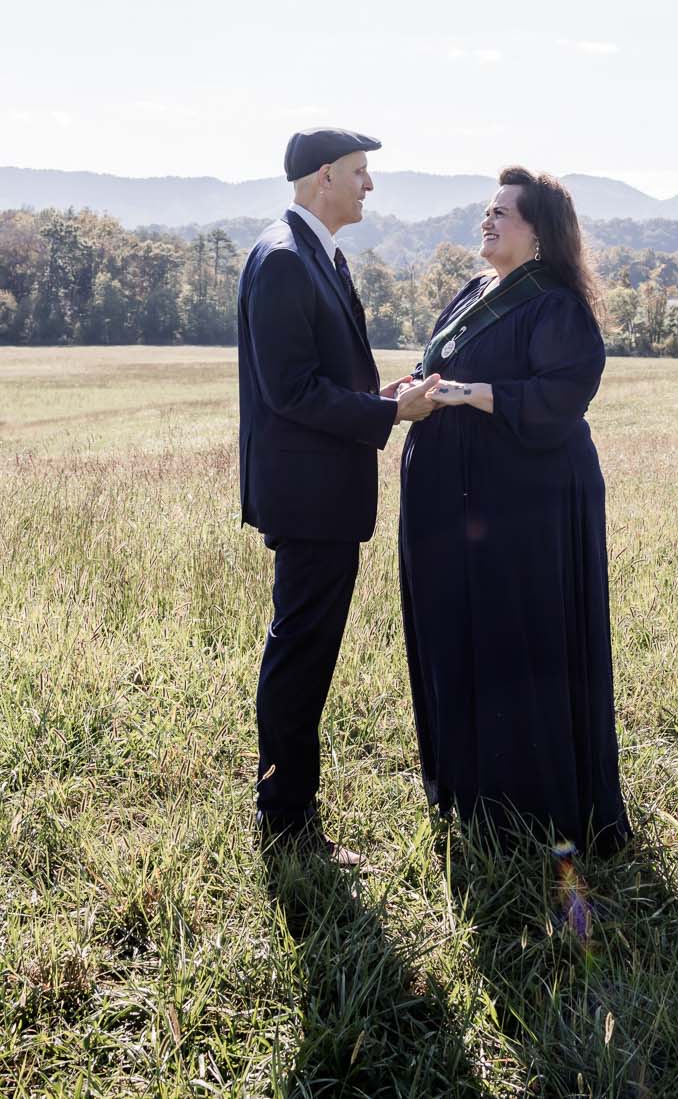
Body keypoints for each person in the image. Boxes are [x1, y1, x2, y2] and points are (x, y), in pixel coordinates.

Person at [396, 166, 628, 853]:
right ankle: (470, 790)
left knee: (513, 643)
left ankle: (524, 812)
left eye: (503, 213)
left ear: (539, 233)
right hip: (456, 500)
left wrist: (473, 394)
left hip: (519, 508)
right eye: (487, 211)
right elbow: (442, 369)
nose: (487, 222)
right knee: (461, 636)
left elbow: (561, 396)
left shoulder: (556, 305)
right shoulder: (476, 290)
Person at [238, 128, 443, 864]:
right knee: (300, 654)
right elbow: (290, 391)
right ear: (324, 175)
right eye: (361, 172)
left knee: (307, 650)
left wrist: (385, 396)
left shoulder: (318, 253)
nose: (370, 185)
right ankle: (285, 823)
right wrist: (391, 415)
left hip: (322, 491)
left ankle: (285, 811)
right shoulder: (286, 259)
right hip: (308, 497)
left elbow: (322, 380)